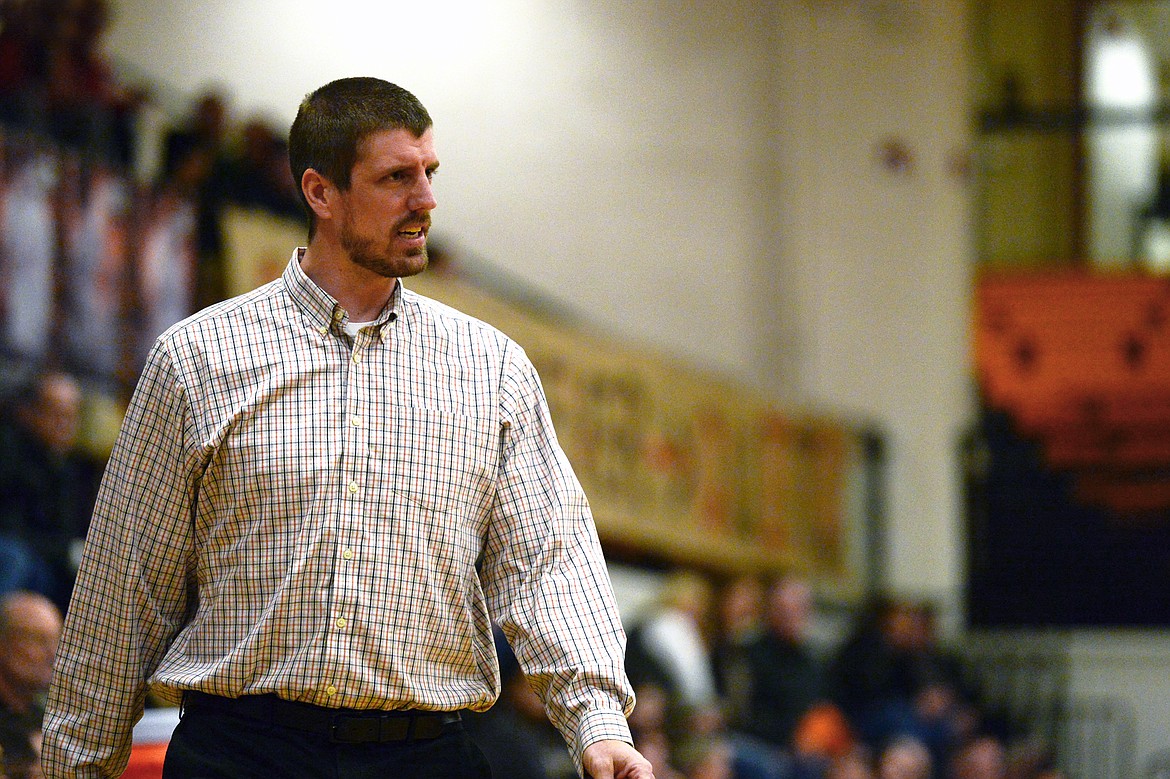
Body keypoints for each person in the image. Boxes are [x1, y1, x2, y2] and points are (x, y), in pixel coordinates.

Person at [41, 76, 654, 779]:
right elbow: (124, 587)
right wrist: (71, 767)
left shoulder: (493, 368)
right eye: (396, 177)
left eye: (429, 173)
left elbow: (549, 559)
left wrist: (598, 723)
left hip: (426, 754)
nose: (425, 200)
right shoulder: (197, 358)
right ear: (321, 193)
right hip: (239, 752)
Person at [0, 370, 101, 610]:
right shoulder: (9, 452)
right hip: (17, 552)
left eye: (70, 416)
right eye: (55, 414)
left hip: (49, 563)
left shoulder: (75, 468)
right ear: (29, 412)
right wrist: (66, 551)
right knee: (15, 558)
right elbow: (11, 525)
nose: (63, 424)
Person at [0, 591, 62, 779]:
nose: (53, 654)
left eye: (56, 639)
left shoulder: (43, 718)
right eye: (38, 639)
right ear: (2, 643)